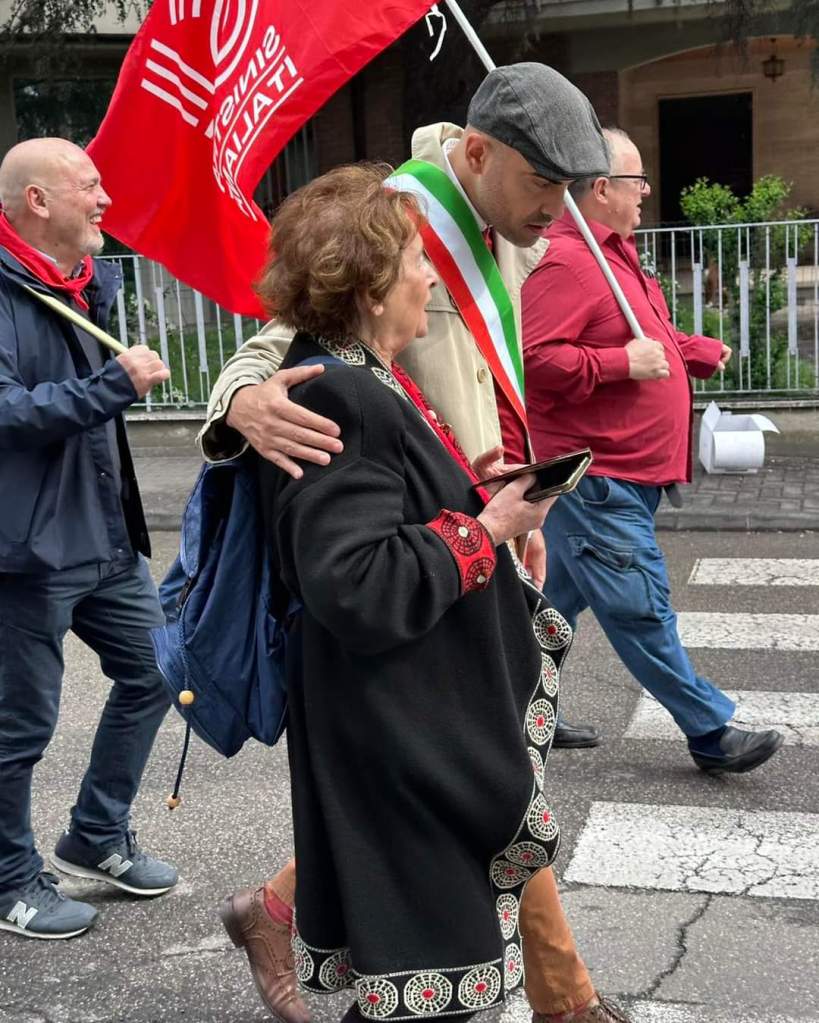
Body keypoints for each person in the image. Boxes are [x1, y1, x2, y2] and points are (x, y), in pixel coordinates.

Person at [204, 66, 627, 1023]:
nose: (556, 210)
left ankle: (284, 913)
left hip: (434, 637)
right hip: (404, 690)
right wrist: (240, 400)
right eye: (543, 184)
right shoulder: (378, 259)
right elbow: (285, 355)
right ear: (478, 154)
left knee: (445, 910)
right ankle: (567, 1000)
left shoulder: (485, 243)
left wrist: (484, 498)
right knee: (446, 910)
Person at [519, 127, 784, 775]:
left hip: (620, 477)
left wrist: (692, 352)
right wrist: (620, 365)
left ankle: (516, 715)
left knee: (550, 609)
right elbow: (533, 359)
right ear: (599, 188)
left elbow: (643, 336)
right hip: (597, 478)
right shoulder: (570, 262)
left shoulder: (614, 256)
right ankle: (708, 730)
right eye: (635, 180)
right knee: (640, 606)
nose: (644, 192)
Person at [0, 138, 178, 941]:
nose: (105, 199)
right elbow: (8, 410)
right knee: (19, 725)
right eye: (90, 185)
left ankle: (96, 833)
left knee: (158, 670)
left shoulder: (76, 281)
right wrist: (111, 384)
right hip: (27, 549)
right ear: (38, 201)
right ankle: (10, 879)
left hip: (103, 534)